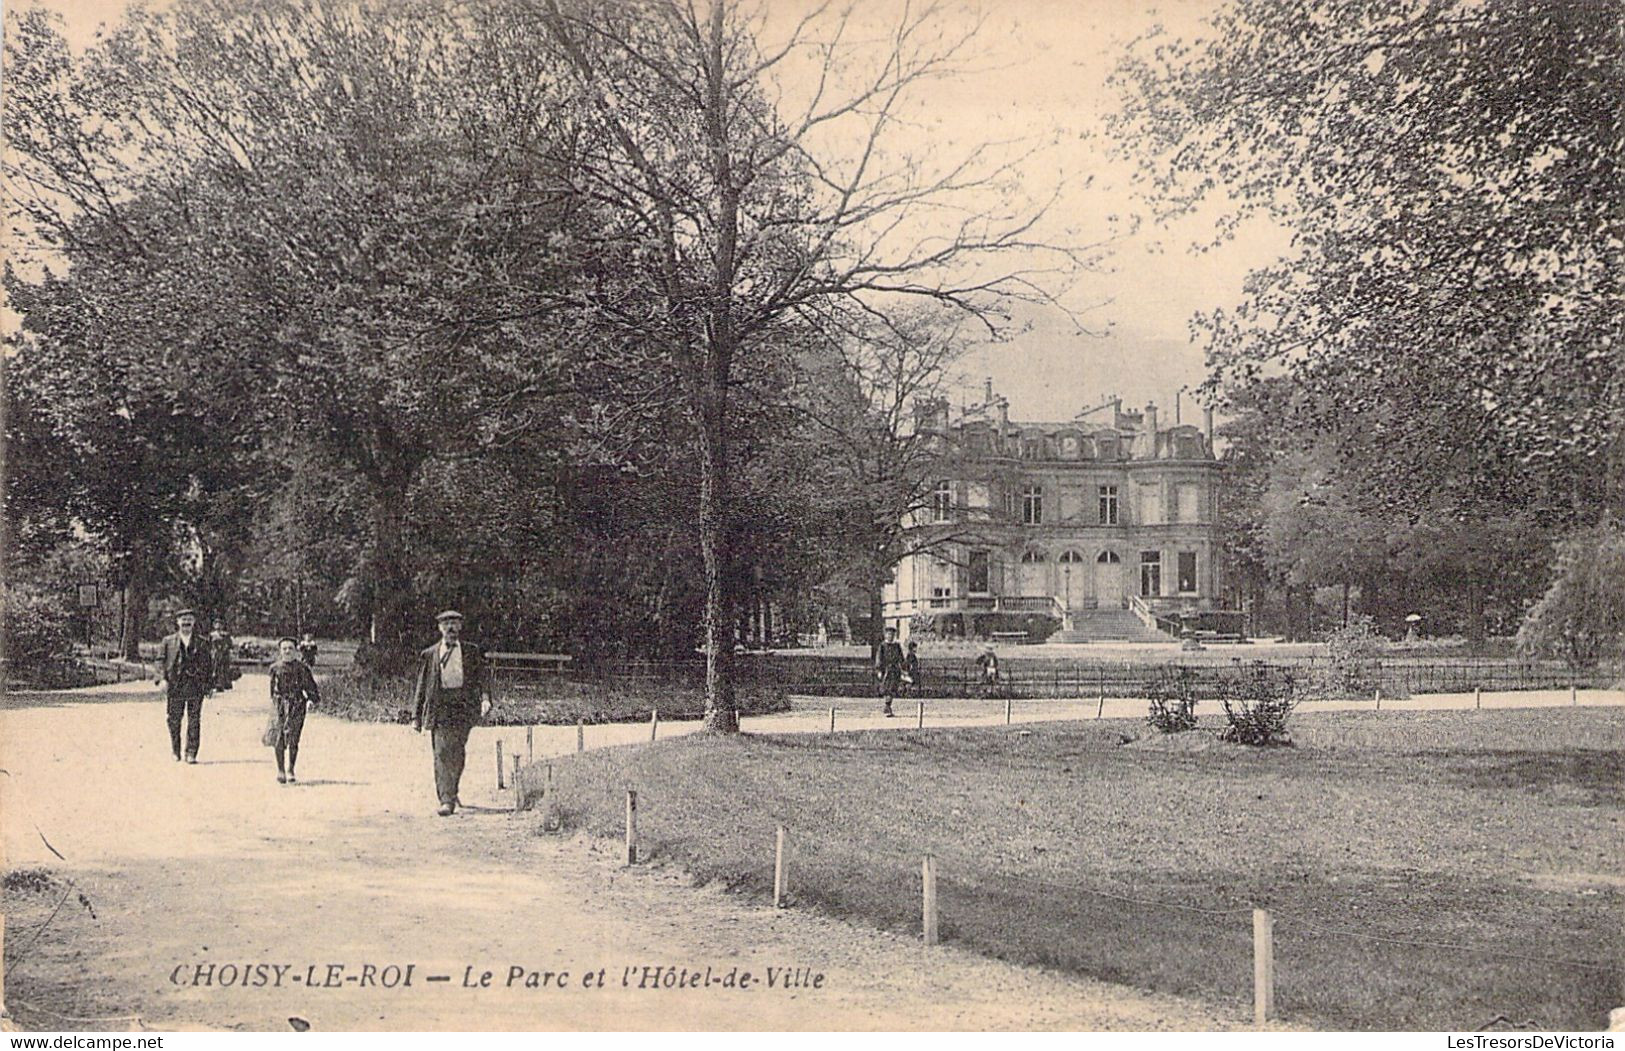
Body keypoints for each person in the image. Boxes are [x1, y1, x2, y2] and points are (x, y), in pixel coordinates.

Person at [411, 610, 492, 816]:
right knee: (441, 752)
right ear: (440, 628)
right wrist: (416, 716)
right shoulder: (430, 654)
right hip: (440, 707)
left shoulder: (471, 651)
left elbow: (482, 678)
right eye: (446, 624)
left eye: (455, 624)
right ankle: (446, 799)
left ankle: (451, 789)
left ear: (461, 627)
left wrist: (485, 699)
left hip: (463, 707)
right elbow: (422, 685)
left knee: (457, 750)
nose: (451, 628)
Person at [155, 609, 214, 763]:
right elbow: (160, 661)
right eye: (183, 620)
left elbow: (209, 665)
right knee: (174, 719)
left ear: (194, 622)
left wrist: (208, 685)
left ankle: (191, 752)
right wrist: (162, 679)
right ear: (178, 622)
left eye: (189, 620)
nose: (186, 623)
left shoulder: (202, 642)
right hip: (175, 685)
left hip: (195, 685)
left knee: (194, 719)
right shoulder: (168, 641)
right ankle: (176, 750)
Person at [265, 637, 320, 784]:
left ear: (296, 651)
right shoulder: (274, 668)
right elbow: (272, 690)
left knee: (294, 738)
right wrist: (276, 703)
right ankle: (280, 770)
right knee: (278, 738)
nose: (287, 651)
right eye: (284, 648)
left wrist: (310, 700)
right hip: (280, 705)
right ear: (280, 651)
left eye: (290, 648)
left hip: (297, 705)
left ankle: (290, 769)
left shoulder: (302, 668)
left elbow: (311, 687)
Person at [875, 626, 903, 717]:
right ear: (885, 635)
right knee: (886, 688)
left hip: (895, 670)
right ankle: (887, 707)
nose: (890, 636)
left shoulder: (897, 646)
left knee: (893, 688)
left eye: (892, 634)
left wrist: (903, 668)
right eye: (888, 634)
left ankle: (888, 706)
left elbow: (901, 658)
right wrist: (879, 670)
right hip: (885, 670)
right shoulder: (882, 646)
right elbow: (879, 658)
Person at [209, 619, 237, 693]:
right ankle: (216, 684)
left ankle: (225, 683)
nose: (218, 626)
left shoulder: (226, 635)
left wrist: (228, 650)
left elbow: (230, 644)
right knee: (215, 668)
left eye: (220, 624)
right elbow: (209, 645)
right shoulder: (212, 635)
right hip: (215, 654)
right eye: (216, 624)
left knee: (224, 668)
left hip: (224, 653)